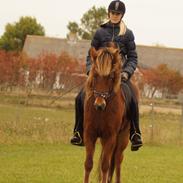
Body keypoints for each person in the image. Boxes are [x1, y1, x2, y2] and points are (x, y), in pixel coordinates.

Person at [70, 0, 143, 151]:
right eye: (113, 13)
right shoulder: (100, 32)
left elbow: (133, 57)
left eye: (118, 14)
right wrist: (91, 70)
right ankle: (78, 132)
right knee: (79, 97)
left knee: (133, 98)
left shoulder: (128, 34)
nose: (115, 16)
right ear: (108, 13)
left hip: (119, 76)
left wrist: (126, 73)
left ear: (122, 15)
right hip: (100, 75)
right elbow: (90, 55)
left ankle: (135, 133)